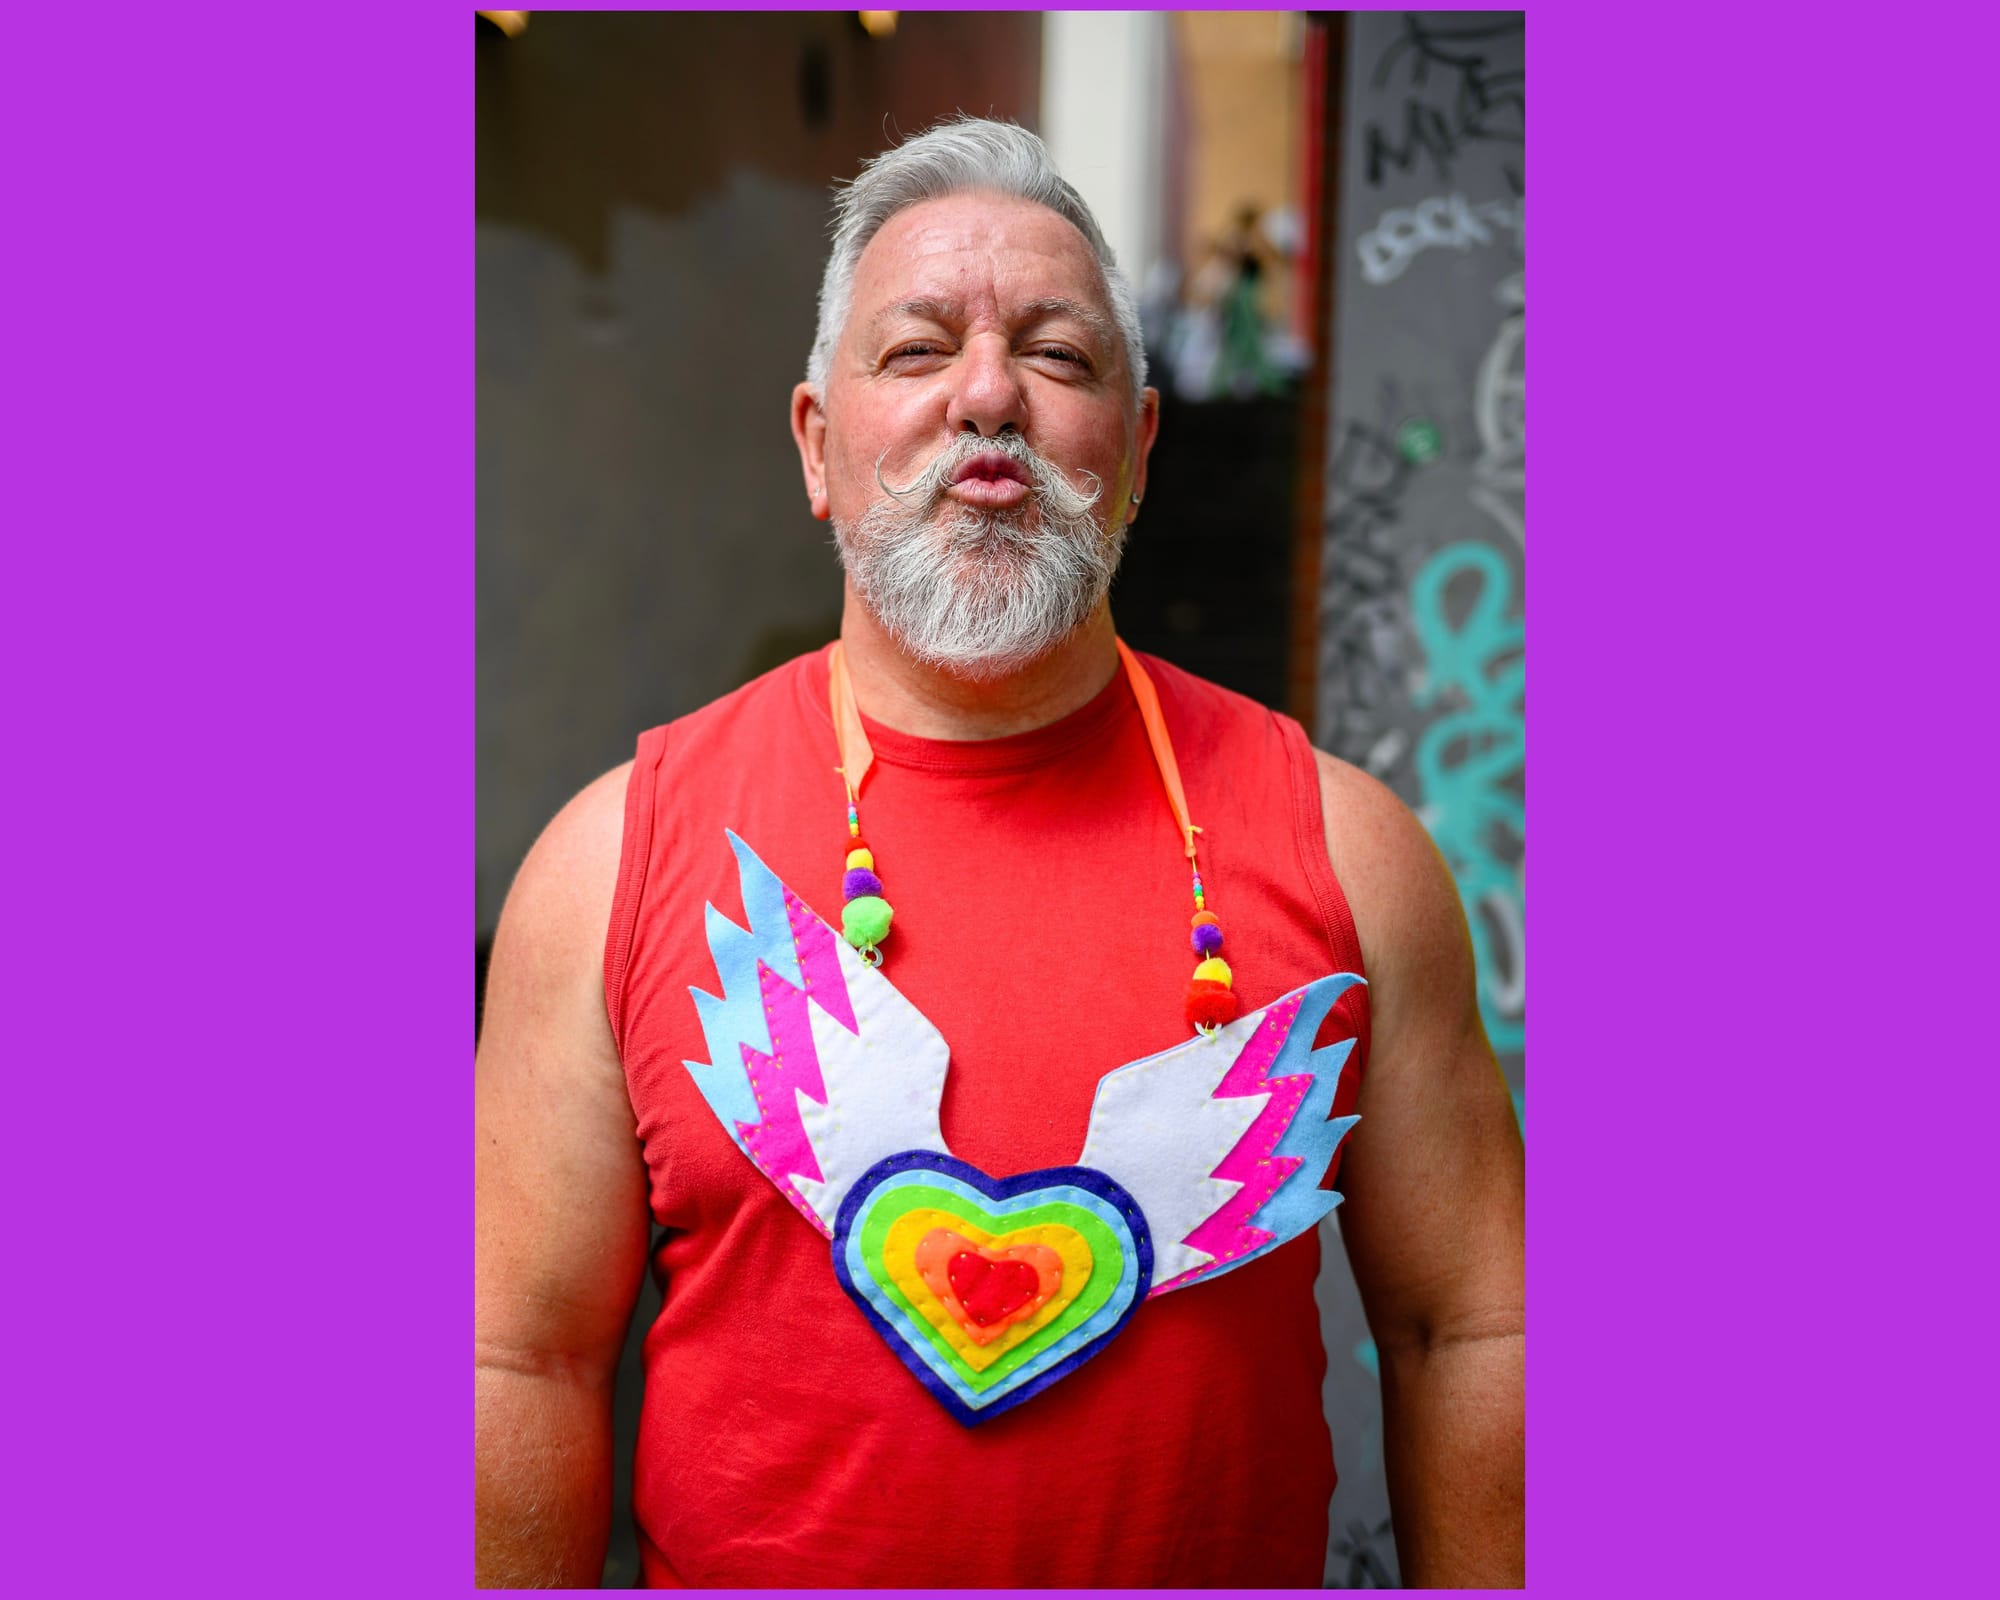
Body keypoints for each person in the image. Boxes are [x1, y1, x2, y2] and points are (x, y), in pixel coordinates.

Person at [476, 116, 1523, 1588]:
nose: (988, 397)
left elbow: (1467, 1328)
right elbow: (515, 1365)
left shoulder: (1352, 851)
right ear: (818, 445)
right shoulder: (612, 862)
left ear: (1142, 450)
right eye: (916, 352)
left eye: (1060, 356)